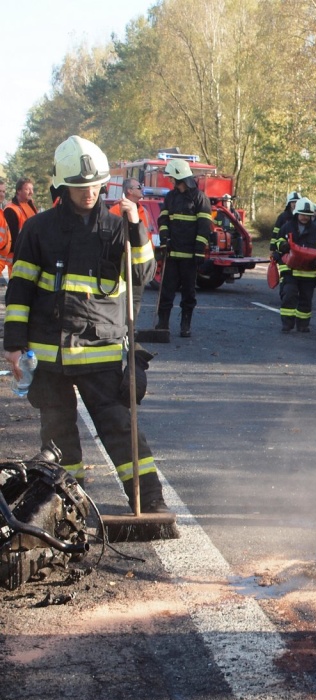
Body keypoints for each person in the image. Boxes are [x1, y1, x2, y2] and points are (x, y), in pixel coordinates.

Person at [3, 135, 169, 514]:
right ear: (64, 186)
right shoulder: (38, 229)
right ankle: (65, 511)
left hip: (101, 352)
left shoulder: (116, 229)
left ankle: (152, 502)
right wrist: (13, 345)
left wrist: (136, 228)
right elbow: (20, 291)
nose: (89, 193)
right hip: (50, 357)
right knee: (59, 438)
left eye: (94, 186)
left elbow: (142, 273)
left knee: (121, 430)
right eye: (80, 187)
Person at [157, 159, 212, 338]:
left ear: (180, 176)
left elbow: (204, 226)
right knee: (166, 291)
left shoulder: (200, 198)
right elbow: (163, 220)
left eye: (172, 178)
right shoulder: (170, 197)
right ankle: (162, 324)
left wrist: (198, 250)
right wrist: (164, 240)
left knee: (188, 293)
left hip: (190, 256)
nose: (170, 181)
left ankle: (185, 325)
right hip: (172, 254)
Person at [272, 197, 316, 332]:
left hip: (308, 271)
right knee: (289, 295)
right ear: (296, 213)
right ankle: (287, 324)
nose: (305, 217)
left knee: (306, 299)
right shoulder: (287, 227)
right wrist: (282, 245)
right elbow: (277, 242)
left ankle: (303, 324)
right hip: (290, 269)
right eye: (302, 214)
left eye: (308, 215)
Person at [110, 179, 154, 321]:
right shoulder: (116, 210)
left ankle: (130, 331)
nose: (142, 189)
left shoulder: (143, 211)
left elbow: (146, 235)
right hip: (122, 266)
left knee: (135, 300)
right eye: (139, 186)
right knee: (120, 300)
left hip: (139, 264)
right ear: (129, 190)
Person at [3, 177, 38, 252]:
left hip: (30, 250)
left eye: (32, 189)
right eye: (27, 189)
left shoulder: (31, 206)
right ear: (18, 191)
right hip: (16, 255)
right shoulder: (10, 210)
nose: (31, 192)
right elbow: (11, 239)